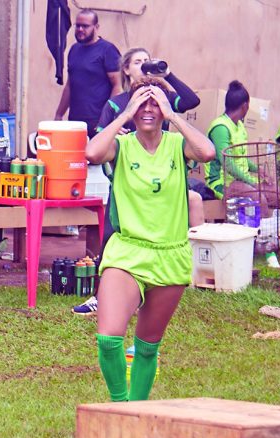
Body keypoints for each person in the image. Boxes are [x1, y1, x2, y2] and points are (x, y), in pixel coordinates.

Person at [84, 78, 215, 402]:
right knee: (109, 339)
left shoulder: (176, 145)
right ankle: (120, 405)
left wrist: (174, 116)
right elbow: (92, 151)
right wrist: (123, 114)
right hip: (128, 252)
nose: (148, 109)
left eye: (154, 103)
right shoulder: (122, 145)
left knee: (146, 347)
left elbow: (207, 151)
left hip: (169, 256)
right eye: (141, 103)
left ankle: (137, 411)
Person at [72, 47, 204, 316]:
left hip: (160, 173)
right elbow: (96, 143)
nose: (145, 65)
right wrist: (118, 126)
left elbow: (190, 101)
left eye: (148, 61)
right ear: (126, 69)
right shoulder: (118, 103)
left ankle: (146, 292)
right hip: (127, 174)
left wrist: (168, 75)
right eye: (139, 62)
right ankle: (106, 294)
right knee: (116, 233)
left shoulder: (162, 99)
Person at [205, 80, 274, 215]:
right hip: (221, 183)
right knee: (259, 198)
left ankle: (274, 231)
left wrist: (258, 170)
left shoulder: (239, 126)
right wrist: (253, 183)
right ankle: (263, 235)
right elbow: (228, 164)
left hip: (240, 181)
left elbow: (241, 158)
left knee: (275, 193)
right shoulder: (221, 127)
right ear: (244, 106)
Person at [53, 9, 121, 136]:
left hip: (98, 123)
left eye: (85, 26)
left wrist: (106, 118)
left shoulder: (108, 50)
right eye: (77, 25)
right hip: (75, 123)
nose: (80, 29)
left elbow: (118, 86)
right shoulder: (74, 50)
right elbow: (70, 85)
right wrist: (58, 115)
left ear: (96, 27)